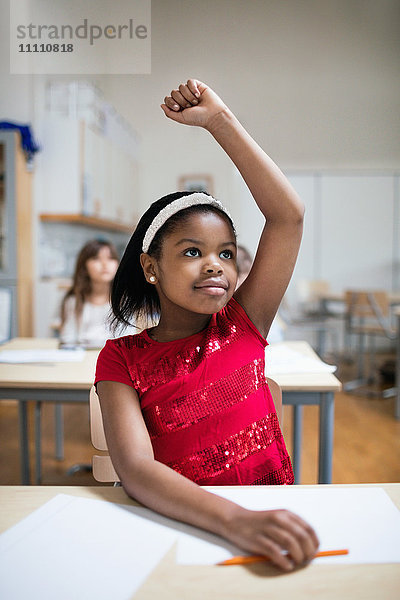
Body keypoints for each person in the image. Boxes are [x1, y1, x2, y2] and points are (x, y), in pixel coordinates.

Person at [95, 79, 319, 571]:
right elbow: (134, 469)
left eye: (225, 253)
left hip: (271, 530)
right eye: (192, 252)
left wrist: (219, 121)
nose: (215, 265)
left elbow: (288, 217)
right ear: (151, 267)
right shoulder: (121, 358)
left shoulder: (243, 323)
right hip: (180, 531)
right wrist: (235, 522)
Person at [60, 239, 120, 348]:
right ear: (84, 267)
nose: (105, 264)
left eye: (111, 258)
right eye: (96, 258)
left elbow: (128, 339)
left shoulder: (124, 301)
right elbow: (68, 338)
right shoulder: (74, 300)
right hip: (81, 358)